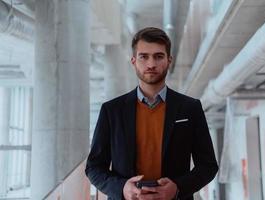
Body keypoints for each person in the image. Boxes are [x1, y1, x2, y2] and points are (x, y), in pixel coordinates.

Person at [85, 27, 218, 200]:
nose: (151, 64)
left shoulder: (190, 108)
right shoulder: (112, 111)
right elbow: (94, 167)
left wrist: (177, 188)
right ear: (133, 61)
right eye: (144, 56)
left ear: (169, 60)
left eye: (158, 56)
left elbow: (208, 166)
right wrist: (122, 188)